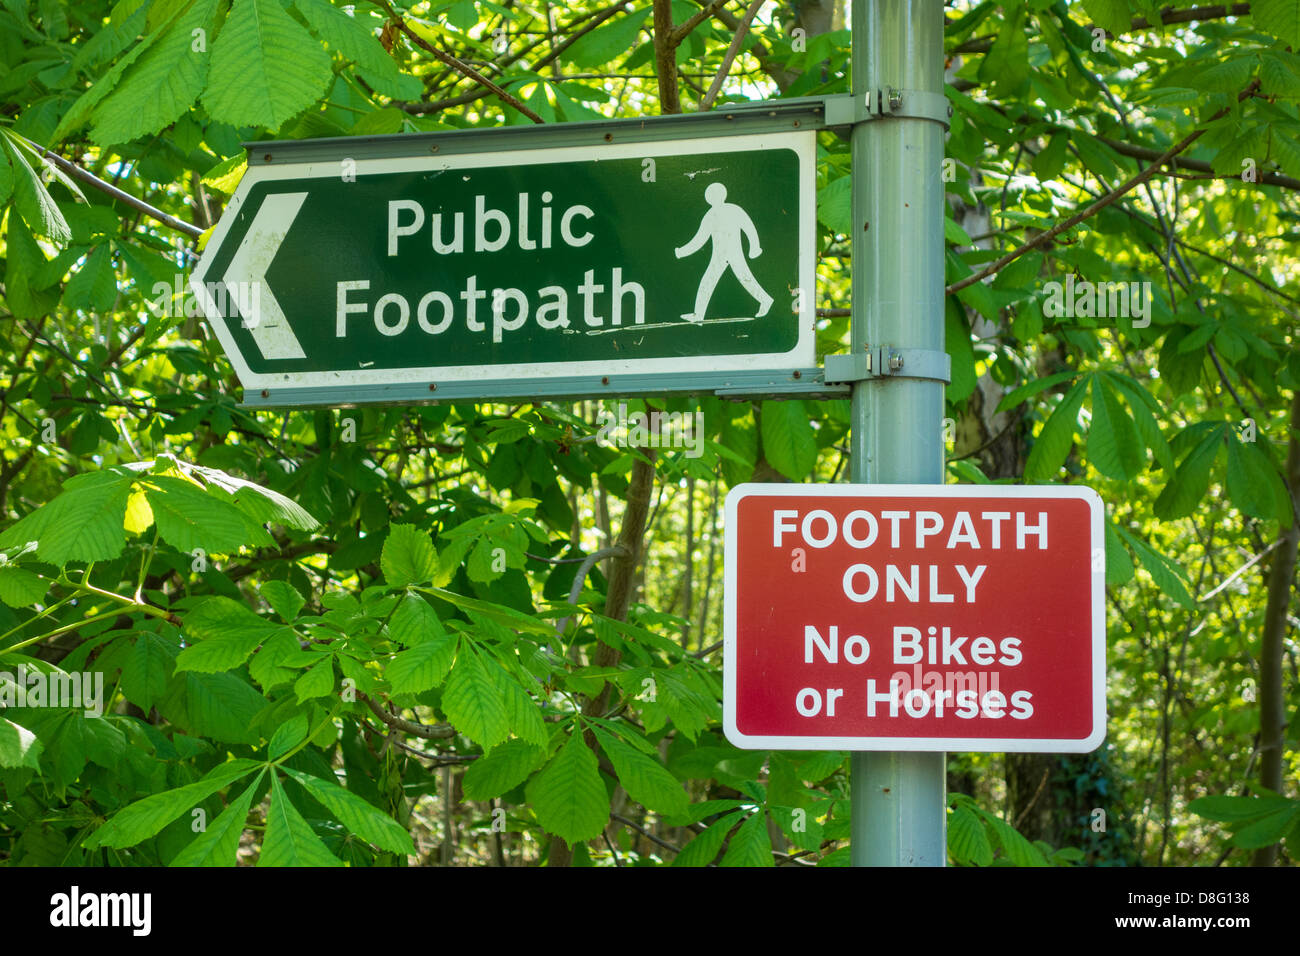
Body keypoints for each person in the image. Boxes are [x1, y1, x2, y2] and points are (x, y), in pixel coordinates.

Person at [674, 182, 774, 323]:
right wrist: (682, 252)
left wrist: (755, 247)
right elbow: (699, 239)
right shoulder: (712, 215)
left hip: (733, 253)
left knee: (744, 279)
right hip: (719, 256)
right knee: (709, 281)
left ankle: (766, 300)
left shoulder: (731, 210)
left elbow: (748, 227)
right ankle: (698, 315)